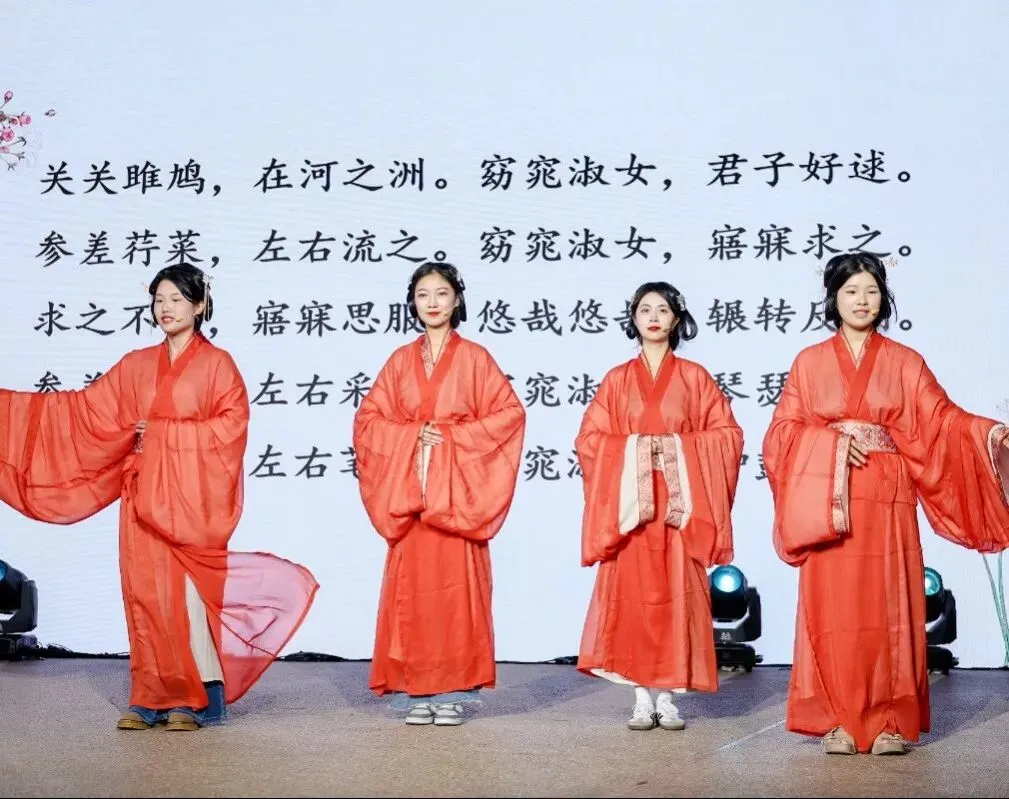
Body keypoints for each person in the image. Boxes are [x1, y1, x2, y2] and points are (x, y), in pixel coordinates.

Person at [0, 265, 319, 731]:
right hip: (143, 499)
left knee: (187, 600)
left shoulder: (218, 365)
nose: (165, 308)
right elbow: (83, 411)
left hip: (190, 503)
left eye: (176, 299)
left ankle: (196, 698)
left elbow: (231, 427)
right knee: (145, 595)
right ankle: (150, 695)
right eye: (158, 299)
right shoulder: (136, 365)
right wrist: (7, 408)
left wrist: (165, 433)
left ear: (199, 305)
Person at [762, 252, 1009, 756]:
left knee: (889, 607)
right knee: (833, 609)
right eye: (851, 291)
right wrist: (827, 444)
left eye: (871, 291)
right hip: (827, 498)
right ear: (833, 298)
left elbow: (941, 420)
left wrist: (992, 435)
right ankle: (838, 719)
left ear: (884, 297)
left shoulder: (905, 361)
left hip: (887, 496)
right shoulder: (809, 362)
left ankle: (890, 720)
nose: (862, 301)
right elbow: (781, 433)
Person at [353, 262, 526, 727]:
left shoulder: (476, 358)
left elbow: (509, 416)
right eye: (423, 294)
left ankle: (452, 691)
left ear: (457, 300)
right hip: (413, 501)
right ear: (413, 302)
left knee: (456, 598)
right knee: (413, 598)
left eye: (442, 293)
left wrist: (449, 438)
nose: (432, 302)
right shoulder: (398, 361)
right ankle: (416, 690)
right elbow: (368, 421)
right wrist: (413, 435)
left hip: (456, 500)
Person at [575, 281, 744, 731]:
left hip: (678, 510)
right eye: (645, 309)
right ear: (633, 317)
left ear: (677, 319)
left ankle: (667, 697)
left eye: (663, 310)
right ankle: (639, 696)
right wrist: (634, 449)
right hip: (630, 512)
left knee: (676, 599)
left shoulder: (694, 378)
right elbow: (590, 439)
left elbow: (727, 435)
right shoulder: (617, 379)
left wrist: (672, 448)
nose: (653, 317)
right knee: (632, 601)